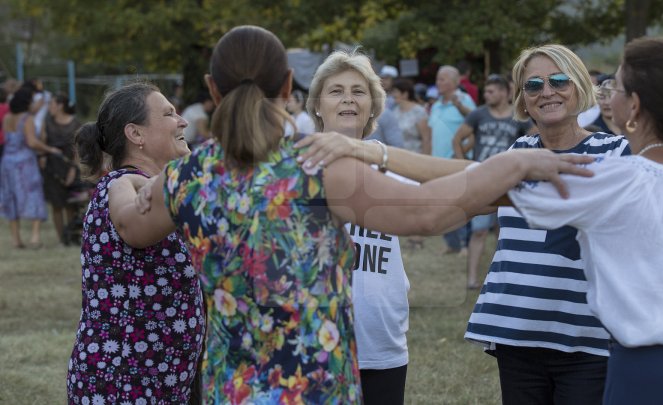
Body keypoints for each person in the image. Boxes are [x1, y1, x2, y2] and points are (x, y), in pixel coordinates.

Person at [116, 26, 594, 404]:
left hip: (231, 388)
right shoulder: (318, 167)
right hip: (319, 384)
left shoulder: (187, 177)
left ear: (211, 90)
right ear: (289, 86)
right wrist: (513, 166)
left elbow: (131, 229)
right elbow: (427, 213)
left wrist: (129, 181)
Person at [296, 44, 629, 405]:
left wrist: (377, 154)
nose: (546, 91)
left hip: (585, 339)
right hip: (517, 334)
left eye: (558, 80)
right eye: (533, 85)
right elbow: (467, 181)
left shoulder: (613, 153)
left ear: (579, 85)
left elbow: (455, 188)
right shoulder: (518, 154)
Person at [508, 36, 663, 405]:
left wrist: (380, 154)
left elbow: (461, 193)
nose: (608, 95)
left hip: (646, 370)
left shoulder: (615, 174)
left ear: (633, 105)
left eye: (616, 87)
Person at [66, 82, 205, 404]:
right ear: (136, 134)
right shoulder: (123, 183)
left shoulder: (165, 190)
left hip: (158, 381)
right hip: (122, 381)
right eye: (169, 114)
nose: (183, 121)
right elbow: (130, 223)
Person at [305, 48, 415, 405]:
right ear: (318, 105)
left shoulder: (393, 164)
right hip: (310, 338)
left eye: (359, 91)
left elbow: (441, 203)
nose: (349, 99)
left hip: (380, 339)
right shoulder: (293, 166)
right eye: (336, 90)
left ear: (373, 106)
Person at [452, 73, 532, 289]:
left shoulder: (519, 118)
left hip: (511, 183)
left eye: (491, 91)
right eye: (485, 91)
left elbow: (536, 143)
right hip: (483, 182)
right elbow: (458, 139)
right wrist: (465, 167)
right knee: (478, 231)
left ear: (505, 92)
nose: (486, 95)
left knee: (505, 232)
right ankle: (471, 279)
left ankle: (504, 277)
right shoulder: (478, 115)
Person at [0, 86, 61, 249]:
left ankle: (16, 239)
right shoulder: (26, 118)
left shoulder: (7, 118)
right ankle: (35, 236)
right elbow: (32, 142)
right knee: (33, 194)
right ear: (27, 102)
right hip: (24, 162)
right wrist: (50, 149)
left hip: (7, 162)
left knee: (11, 197)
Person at [429, 65, 476, 255]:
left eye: (443, 79)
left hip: (456, 163)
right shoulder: (436, 104)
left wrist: (460, 155)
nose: (438, 82)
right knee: (442, 206)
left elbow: (474, 128)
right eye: (438, 79)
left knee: (461, 205)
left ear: (455, 82)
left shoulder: (465, 100)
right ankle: (451, 244)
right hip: (436, 164)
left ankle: (464, 244)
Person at [40, 92, 82, 244]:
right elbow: (43, 142)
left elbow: (78, 150)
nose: (49, 107)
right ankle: (60, 239)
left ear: (60, 106)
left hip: (69, 166)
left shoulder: (76, 123)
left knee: (70, 204)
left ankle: (70, 236)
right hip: (52, 168)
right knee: (56, 205)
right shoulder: (48, 122)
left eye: (51, 104)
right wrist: (43, 157)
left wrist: (73, 168)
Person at [391, 78, 431, 154]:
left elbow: (426, 139)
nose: (393, 95)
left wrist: (426, 161)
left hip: (416, 157)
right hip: (398, 158)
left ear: (405, 94)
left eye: (395, 92)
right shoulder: (394, 111)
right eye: (392, 92)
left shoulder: (419, 112)